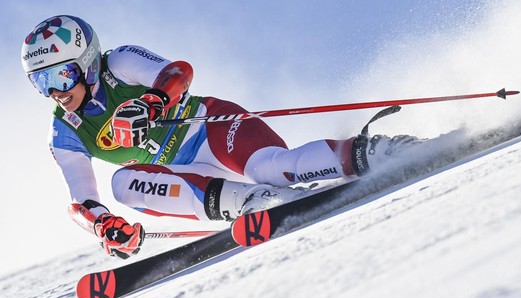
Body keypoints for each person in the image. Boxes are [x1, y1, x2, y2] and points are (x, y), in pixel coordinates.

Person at [21, 15, 418, 259]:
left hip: (209, 127)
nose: (56, 91)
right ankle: (251, 203)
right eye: (42, 83)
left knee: (272, 167)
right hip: (187, 177)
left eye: (61, 75)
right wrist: (104, 226)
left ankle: (378, 152)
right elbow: (81, 201)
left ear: (86, 63)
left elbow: (178, 73)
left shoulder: (119, 63)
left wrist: (151, 104)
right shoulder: (64, 131)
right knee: (123, 184)